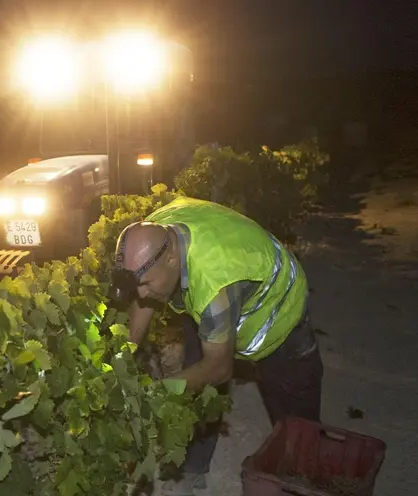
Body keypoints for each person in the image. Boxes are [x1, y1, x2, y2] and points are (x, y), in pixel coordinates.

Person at [109, 196, 323, 496]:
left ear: (171, 258)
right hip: (211, 299)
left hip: (278, 313)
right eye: (137, 284)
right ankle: (195, 468)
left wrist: (156, 393)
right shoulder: (157, 235)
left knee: (297, 426)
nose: (142, 293)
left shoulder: (212, 284)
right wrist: (122, 354)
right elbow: (143, 298)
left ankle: (303, 481)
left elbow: (220, 369)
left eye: (146, 284)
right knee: (195, 384)